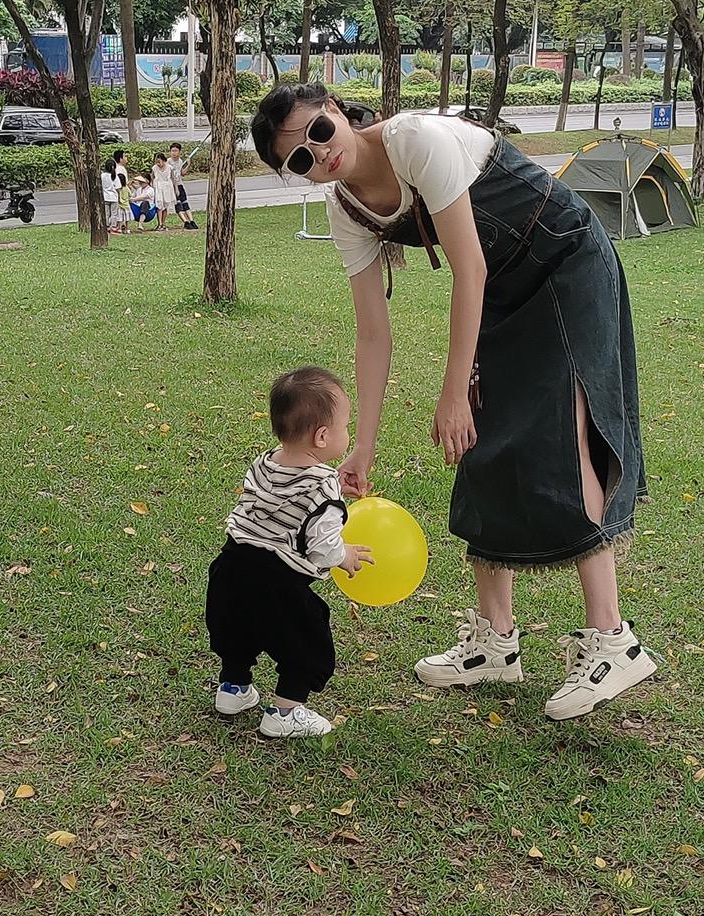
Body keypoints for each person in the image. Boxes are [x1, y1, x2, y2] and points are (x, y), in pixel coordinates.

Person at [251, 84, 657, 722]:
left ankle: (614, 640)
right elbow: (372, 332)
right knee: (483, 446)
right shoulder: (346, 208)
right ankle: (496, 642)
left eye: (318, 133)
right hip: (500, 288)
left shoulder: (416, 139)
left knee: (563, 435)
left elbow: (468, 267)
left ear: (337, 111)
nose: (317, 155)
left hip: (564, 264)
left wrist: (452, 392)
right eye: (297, 159)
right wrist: (362, 444)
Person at [205, 367, 373, 739]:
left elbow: (283, 506)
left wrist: (331, 494)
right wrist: (344, 555)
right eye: (347, 425)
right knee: (306, 640)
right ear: (323, 436)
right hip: (277, 581)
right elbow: (323, 545)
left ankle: (233, 689)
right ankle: (285, 712)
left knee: (237, 630)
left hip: (231, 566)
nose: (348, 432)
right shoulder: (323, 484)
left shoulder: (266, 462)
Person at [168, 143, 199, 230]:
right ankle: (185, 221)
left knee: (185, 203)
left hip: (180, 185)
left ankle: (191, 221)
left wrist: (188, 164)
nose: (174, 153)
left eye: (176, 151)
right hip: (173, 186)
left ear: (179, 152)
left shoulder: (181, 161)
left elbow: (183, 173)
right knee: (178, 204)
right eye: (172, 151)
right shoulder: (168, 162)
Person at [151, 152, 176, 232]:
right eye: (156, 162)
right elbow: (152, 178)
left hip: (167, 188)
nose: (158, 164)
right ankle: (160, 223)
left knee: (166, 205)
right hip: (158, 187)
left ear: (163, 160)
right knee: (159, 206)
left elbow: (173, 178)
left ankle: (163, 222)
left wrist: (176, 189)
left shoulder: (169, 167)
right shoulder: (154, 168)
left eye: (159, 162)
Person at [100, 158, 120, 233]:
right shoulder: (115, 176)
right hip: (114, 198)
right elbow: (118, 188)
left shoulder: (102, 175)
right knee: (114, 213)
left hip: (105, 197)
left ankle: (107, 226)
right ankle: (113, 226)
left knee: (106, 213)